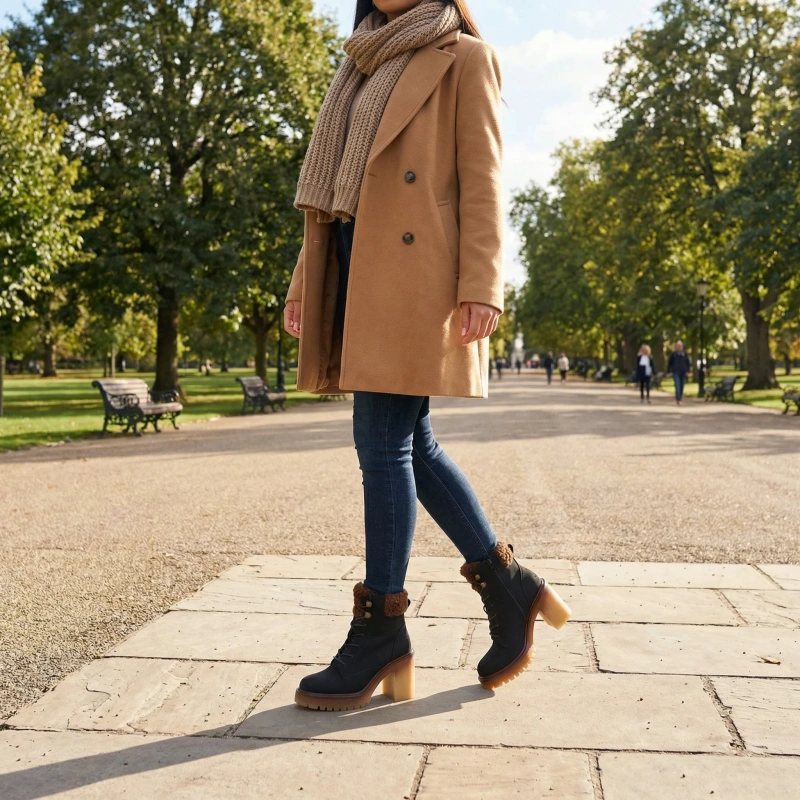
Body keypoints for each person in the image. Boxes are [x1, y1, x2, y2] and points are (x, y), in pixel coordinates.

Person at [283, 0, 571, 712]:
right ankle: (510, 586)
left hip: (417, 273)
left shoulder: (465, 56)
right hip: (353, 263)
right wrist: (303, 280)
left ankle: (382, 626)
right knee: (413, 440)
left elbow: (485, 177)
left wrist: (482, 284)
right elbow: (336, 195)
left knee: (382, 443)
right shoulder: (359, 59)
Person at [667, 340, 691, 404]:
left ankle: (680, 397)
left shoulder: (685, 354)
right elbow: (670, 363)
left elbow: (688, 363)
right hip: (676, 372)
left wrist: (688, 371)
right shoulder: (673, 354)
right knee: (677, 385)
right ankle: (678, 399)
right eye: (678, 346)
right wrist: (669, 372)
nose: (679, 347)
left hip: (683, 372)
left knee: (682, 385)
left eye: (680, 346)